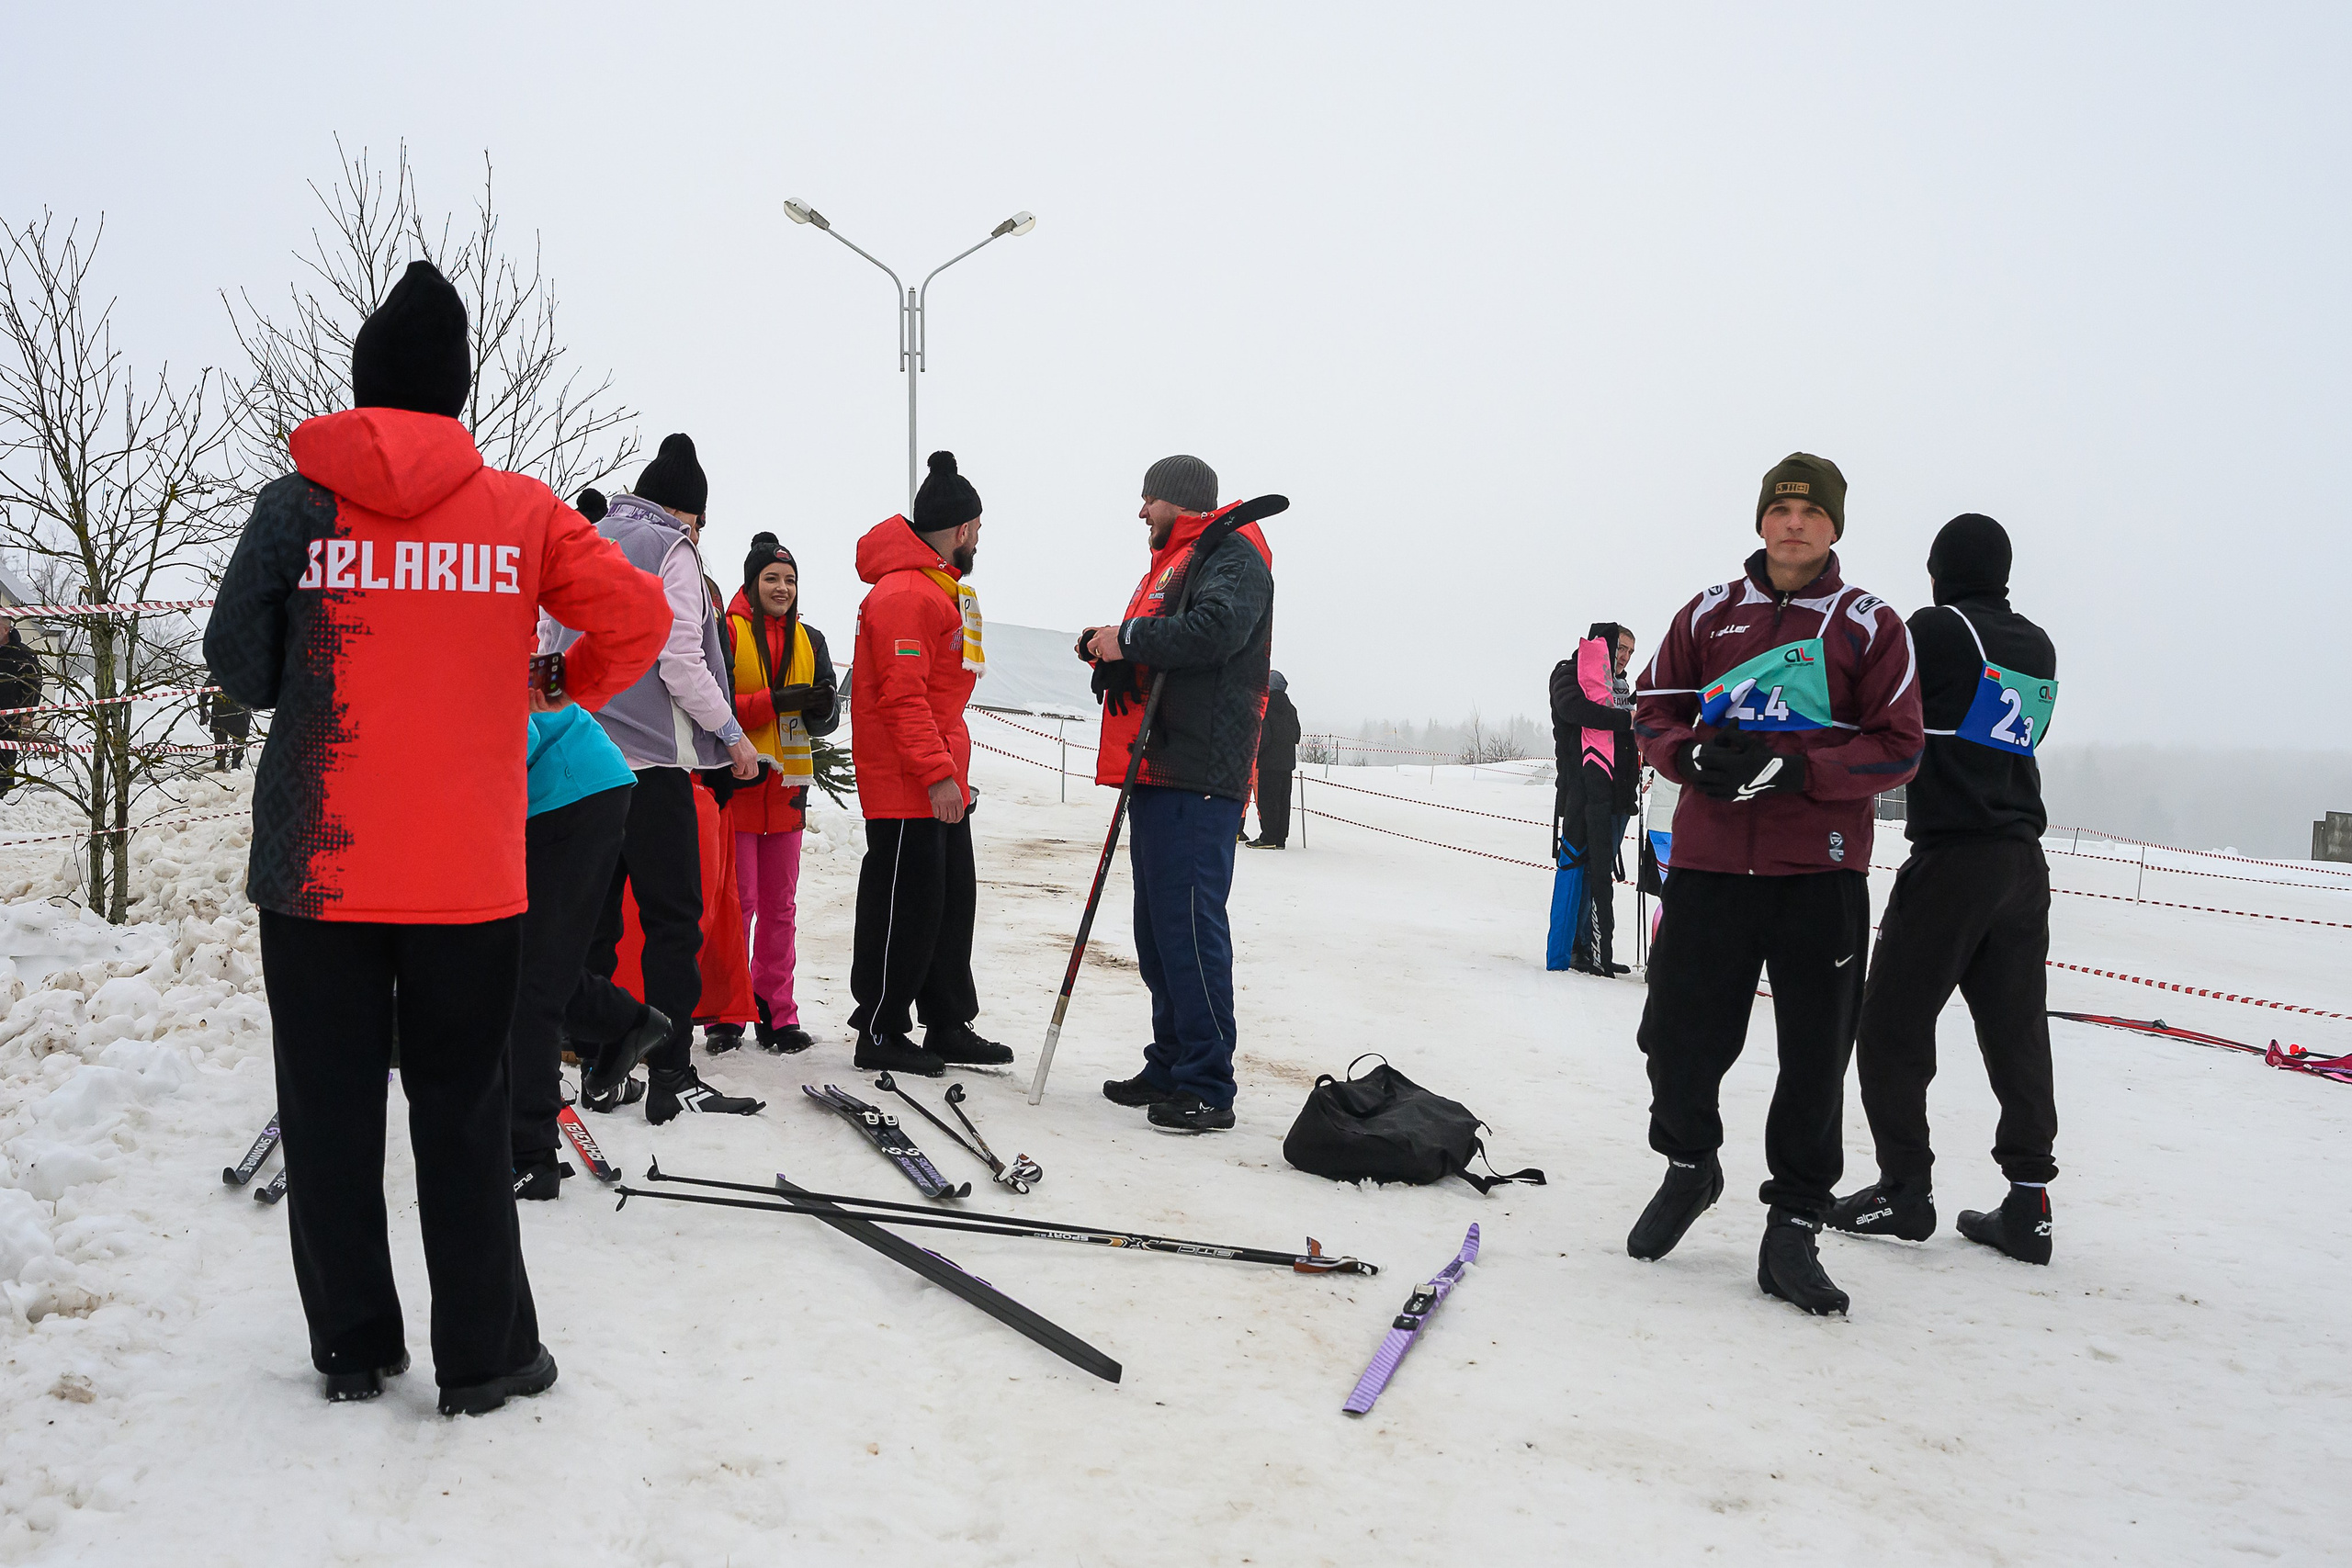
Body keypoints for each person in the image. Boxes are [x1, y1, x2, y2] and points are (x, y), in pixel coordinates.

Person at [202, 260, 670, 1412]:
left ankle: (355, 1348)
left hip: (316, 867)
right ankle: (486, 1357)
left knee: (328, 1108)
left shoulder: (296, 504)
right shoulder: (518, 512)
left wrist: (299, 664)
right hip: (466, 870)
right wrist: (558, 679)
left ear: (362, 386)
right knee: (461, 1109)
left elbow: (236, 668)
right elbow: (642, 619)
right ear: (457, 392)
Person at [1623, 453, 1923, 1316]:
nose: (1794, 522)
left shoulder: (1869, 624)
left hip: (1818, 869)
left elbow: (1899, 743)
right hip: (1711, 863)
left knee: (1814, 1057)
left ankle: (1793, 1223)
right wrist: (1690, 756)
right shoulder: (1708, 612)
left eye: (1810, 510)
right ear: (1761, 521)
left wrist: (1798, 773)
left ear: (1834, 527)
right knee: (1672, 1037)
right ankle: (1691, 1164)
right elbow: (1654, 708)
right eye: (1780, 508)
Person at [1830, 513, 2060, 1265]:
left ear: (1939, 570)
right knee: (2017, 1030)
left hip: (1954, 857)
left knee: (1890, 1023)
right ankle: (2030, 1201)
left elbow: (1871, 697)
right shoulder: (2036, 642)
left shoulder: (1935, 628)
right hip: (2023, 862)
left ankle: (1905, 1188)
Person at [545, 434, 766, 1123]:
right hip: (650, 767)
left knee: (593, 924)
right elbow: (679, 659)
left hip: (579, 762)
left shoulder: (586, 536)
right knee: (674, 921)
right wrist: (731, 736)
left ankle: (596, 1066)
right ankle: (671, 1071)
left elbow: (549, 643)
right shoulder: (671, 547)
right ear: (688, 512)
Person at [1085, 454, 1276, 1134]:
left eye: (1149, 499)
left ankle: (1206, 1081)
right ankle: (1170, 1060)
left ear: (1179, 501)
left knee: (1190, 927)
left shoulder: (1233, 552)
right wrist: (1116, 658)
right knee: (1158, 930)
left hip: (1200, 773)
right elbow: (1172, 642)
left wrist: (1129, 637)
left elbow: (1216, 630)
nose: (1141, 511)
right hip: (1163, 766)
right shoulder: (1184, 557)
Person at [846, 452, 1012, 1076]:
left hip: (940, 777)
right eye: (979, 528)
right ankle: (882, 1026)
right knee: (904, 907)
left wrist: (951, 775)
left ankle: (947, 1019)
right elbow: (902, 696)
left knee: (948, 903)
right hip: (907, 782)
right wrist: (936, 773)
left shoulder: (942, 588)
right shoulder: (908, 592)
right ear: (965, 528)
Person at [510, 699, 662, 1199]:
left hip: (571, 789)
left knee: (528, 978)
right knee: (519, 963)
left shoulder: (446, 642)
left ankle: (529, 1157)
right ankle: (623, 1022)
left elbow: (513, 736)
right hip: (557, 789)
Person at [723, 532, 839, 1053]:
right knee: (737, 903)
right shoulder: (727, 632)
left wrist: (823, 712)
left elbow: (830, 715)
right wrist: (775, 700)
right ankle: (725, 1012)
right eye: (772, 578)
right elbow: (717, 702)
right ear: (752, 582)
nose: (783, 587)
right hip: (740, 785)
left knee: (780, 907)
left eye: (790, 580)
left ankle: (777, 1011)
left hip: (788, 790)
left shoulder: (811, 639)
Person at [1548, 623, 1638, 974]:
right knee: (1580, 870)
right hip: (1581, 791)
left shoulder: (1623, 688)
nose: (1624, 657)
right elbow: (1574, 710)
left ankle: (1595, 945)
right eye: (1620, 648)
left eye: (1630, 651)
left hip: (1618, 794)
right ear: (1604, 645)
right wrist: (1627, 720)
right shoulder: (1567, 673)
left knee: (1600, 873)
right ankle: (1574, 946)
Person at [1247, 671, 1301, 849]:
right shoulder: (1291, 708)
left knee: (1267, 800)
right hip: (1287, 764)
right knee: (1283, 800)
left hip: (1268, 762)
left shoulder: (1264, 705)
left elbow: (1263, 735)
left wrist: (1255, 752)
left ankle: (1268, 837)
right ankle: (1280, 838)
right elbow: (1297, 735)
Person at [0, 611, 39, 797]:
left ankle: (4, 796)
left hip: (8, 718)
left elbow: (34, 684)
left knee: (4, 761)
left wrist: (27, 713)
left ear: (6, 629)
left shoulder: (22, 654)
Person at [199, 684, 251, 772]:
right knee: (233, 740)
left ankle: (229, 764)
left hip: (232, 713)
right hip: (225, 713)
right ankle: (228, 764)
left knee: (227, 740)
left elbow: (206, 691)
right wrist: (203, 709)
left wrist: (202, 707)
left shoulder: (219, 672)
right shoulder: (246, 672)